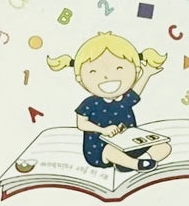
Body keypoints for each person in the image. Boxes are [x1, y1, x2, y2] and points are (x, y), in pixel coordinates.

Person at [47, 33, 170, 171]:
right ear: (80, 78)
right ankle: (135, 164)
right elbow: (81, 124)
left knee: (164, 147)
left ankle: (132, 162)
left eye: (119, 68)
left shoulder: (124, 100)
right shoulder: (90, 103)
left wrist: (146, 73)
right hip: (99, 148)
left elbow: (136, 92)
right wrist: (102, 130)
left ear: (136, 71)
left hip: (131, 145)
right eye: (93, 71)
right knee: (110, 151)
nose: (107, 76)